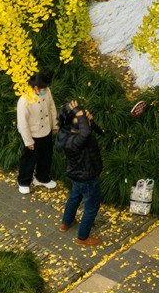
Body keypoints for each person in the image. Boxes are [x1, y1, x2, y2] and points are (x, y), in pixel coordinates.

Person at [55, 100, 104, 247]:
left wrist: (85, 118)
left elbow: (97, 131)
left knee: (74, 197)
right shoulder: (78, 140)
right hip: (87, 177)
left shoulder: (65, 131)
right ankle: (82, 238)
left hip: (76, 175)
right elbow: (87, 132)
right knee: (91, 207)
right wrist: (82, 116)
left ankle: (66, 223)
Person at [16, 72, 58, 194]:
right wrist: (28, 141)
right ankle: (23, 181)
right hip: (33, 133)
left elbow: (52, 107)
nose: (46, 90)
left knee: (46, 156)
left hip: (46, 130)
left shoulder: (47, 91)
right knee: (28, 159)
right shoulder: (24, 100)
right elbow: (22, 123)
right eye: (44, 88)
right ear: (36, 87)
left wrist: (55, 124)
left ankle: (41, 178)